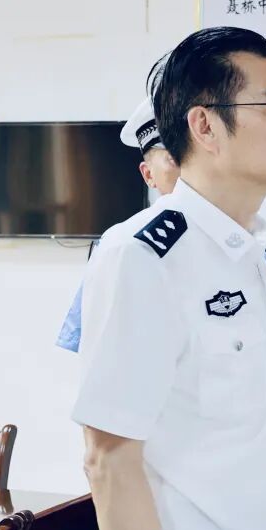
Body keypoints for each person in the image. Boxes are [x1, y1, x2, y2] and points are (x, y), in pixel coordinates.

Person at [73, 26, 266, 530]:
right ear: (205, 125)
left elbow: (249, 435)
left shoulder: (249, 250)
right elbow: (108, 458)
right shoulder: (143, 256)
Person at [56, 97, 180, 353]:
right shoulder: (121, 245)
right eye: (173, 158)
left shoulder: (249, 238)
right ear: (148, 174)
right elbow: (92, 344)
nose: (188, 170)